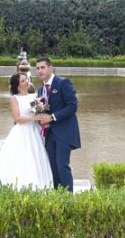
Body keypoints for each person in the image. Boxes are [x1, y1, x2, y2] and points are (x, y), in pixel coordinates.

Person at [0, 73, 53, 189]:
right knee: (19, 157)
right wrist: (34, 118)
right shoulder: (14, 99)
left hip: (34, 131)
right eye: (23, 81)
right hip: (22, 132)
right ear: (18, 86)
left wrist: (42, 109)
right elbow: (17, 119)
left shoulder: (34, 96)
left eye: (26, 79)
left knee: (35, 156)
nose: (27, 82)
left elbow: (38, 111)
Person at [34, 57, 81, 192]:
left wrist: (52, 117)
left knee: (62, 165)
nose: (40, 71)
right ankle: (57, 197)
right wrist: (39, 118)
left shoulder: (63, 83)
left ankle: (68, 198)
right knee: (52, 166)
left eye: (42, 67)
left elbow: (72, 106)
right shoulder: (40, 89)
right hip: (49, 134)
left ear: (51, 68)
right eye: (37, 68)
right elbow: (43, 111)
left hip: (64, 132)